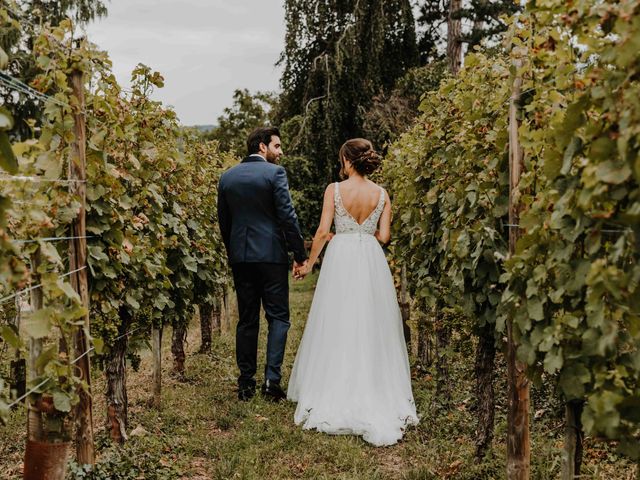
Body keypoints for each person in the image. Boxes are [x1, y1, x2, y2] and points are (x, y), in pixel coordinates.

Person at [287, 138, 419, 446]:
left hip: (342, 256)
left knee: (338, 318)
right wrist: (365, 232)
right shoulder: (382, 194)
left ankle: (335, 384)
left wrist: (308, 264)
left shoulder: (334, 190)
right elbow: (385, 236)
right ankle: (373, 385)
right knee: (372, 321)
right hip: (370, 257)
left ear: (347, 161)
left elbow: (322, 231)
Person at [217, 126, 308, 402]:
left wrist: (234, 250)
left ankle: (245, 383)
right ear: (262, 147)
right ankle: (271, 381)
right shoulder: (274, 174)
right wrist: (299, 254)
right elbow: (287, 217)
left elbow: (225, 222)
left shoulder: (227, 177)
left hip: (241, 257)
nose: (280, 152)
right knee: (278, 316)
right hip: (270, 256)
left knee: (246, 319)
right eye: (277, 146)